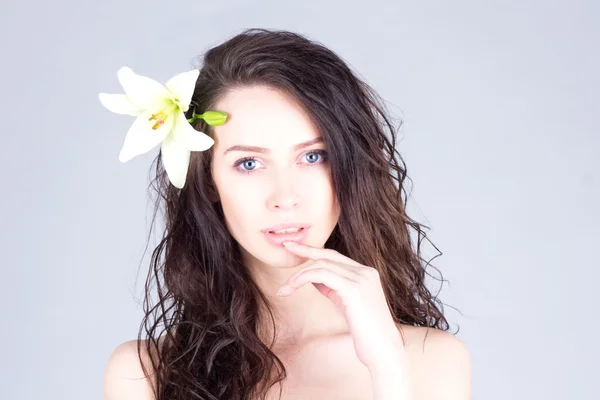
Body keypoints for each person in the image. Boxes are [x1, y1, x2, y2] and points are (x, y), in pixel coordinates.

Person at [100, 28, 471, 400]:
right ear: (209, 180)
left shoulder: (428, 360)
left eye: (312, 157)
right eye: (248, 163)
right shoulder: (145, 373)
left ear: (348, 168)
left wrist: (387, 368)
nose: (285, 197)